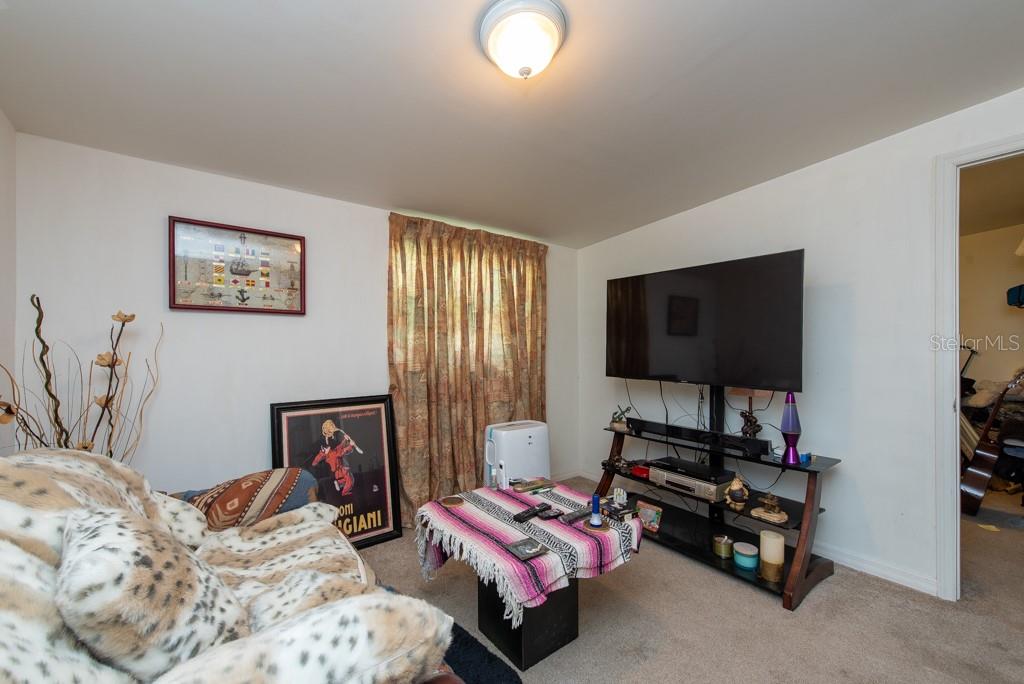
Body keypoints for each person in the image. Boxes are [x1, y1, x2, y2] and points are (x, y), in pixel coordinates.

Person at [311, 419, 362, 495]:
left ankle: (340, 484)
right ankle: (344, 491)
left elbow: (340, 447)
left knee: (345, 480)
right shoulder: (331, 454)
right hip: (340, 470)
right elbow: (342, 451)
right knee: (349, 481)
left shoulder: (329, 452)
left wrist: (345, 440)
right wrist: (351, 446)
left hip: (339, 472)